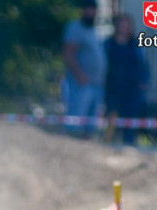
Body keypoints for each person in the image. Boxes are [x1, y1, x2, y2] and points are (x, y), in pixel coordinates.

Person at [62, 0, 107, 136]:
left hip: (97, 84)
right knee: (75, 123)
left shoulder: (94, 30)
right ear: (82, 10)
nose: (90, 12)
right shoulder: (75, 28)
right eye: (87, 8)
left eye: (92, 9)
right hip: (80, 83)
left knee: (91, 127)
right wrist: (79, 75)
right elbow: (68, 53)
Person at [105, 13, 149, 144]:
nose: (125, 28)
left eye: (127, 25)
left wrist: (144, 81)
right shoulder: (108, 44)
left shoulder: (135, 45)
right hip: (113, 88)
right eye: (122, 25)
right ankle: (107, 144)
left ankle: (129, 144)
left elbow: (143, 65)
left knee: (130, 121)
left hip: (132, 90)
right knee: (111, 119)